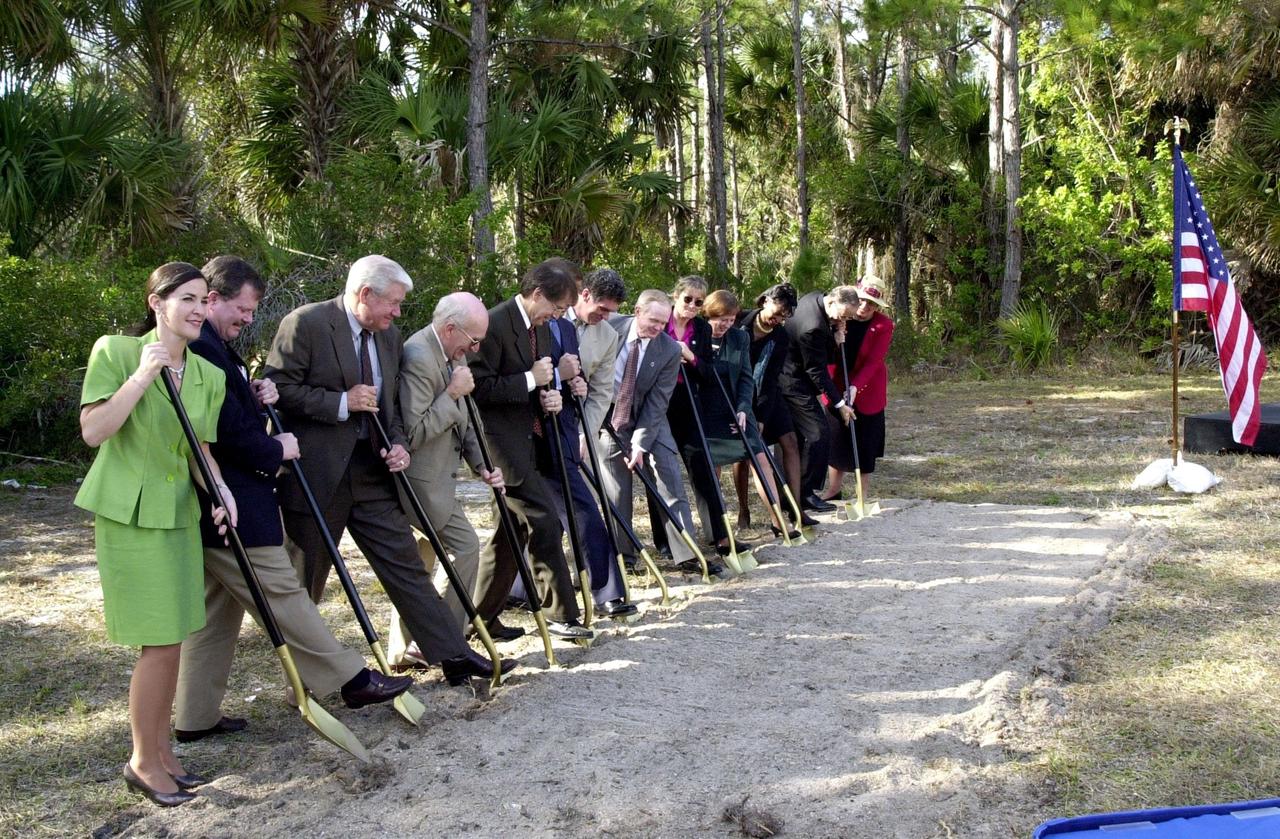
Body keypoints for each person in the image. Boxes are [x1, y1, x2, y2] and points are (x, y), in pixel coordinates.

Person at [175, 256, 412, 741]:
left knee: (217, 610)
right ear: (211, 299)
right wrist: (274, 448)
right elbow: (219, 432)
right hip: (232, 501)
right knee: (284, 593)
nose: (246, 319)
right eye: (239, 309)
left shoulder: (215, 347)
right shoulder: (200, 348)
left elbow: (228, 410)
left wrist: (256, 393)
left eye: (251, 311)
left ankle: (194, 718)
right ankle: (351, 679)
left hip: (222, 502)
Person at [264, 255, 511, 685]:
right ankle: (303, 681)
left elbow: (391, 406)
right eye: (393, 303)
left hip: (372, 474)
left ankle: (452, 655)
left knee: (406, 568)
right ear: (365, 295)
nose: (398, 313)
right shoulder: (306, 323)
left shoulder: (389, 337)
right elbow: (277, 391)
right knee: (307, 583)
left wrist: (397, 443)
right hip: (318, 476)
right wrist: (341, 403)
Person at [76, 262, 232, 806]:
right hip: (130, 514)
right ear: (156, 302)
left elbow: (200, 452)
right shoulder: (116, 352)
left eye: (203, 299)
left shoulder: (210, 375)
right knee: (160, 642)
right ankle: (143, 762)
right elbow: (94, 431)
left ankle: (164, 755)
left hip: (178, 514)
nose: (197, 308)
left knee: (176, 637)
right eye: (186, 297)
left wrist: (223, 494)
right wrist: (144, 374)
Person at [469, 258, 592, 640]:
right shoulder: (494, 323)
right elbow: (476, 386)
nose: (555, 317)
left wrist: (549, 394)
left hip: (533, 438)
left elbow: (538, 377)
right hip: (501, 446)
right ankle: (560, 613)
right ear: (537, 294)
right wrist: (529, 380)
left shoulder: (537, 326)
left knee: (511, 533)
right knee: (544, 520)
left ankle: (479, 619)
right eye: (554, 309)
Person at [393, 293, 509, 665]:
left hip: (439, 479)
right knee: (467, 547)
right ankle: (448, 643)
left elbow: (466, 415)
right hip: (419, 480)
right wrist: (451, 392)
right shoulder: (419, 357)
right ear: (448, 328)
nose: (474, 349)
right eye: (472, 340)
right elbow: (412, 434)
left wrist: (483, 464)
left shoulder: (449, 355)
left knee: (420, 562)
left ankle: (405, 648)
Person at [599, 290, 719, 576]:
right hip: (607, 412)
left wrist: (640, 444)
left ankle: (687, 553)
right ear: (637, 311)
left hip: (646, 413)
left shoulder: (668, 349)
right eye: (653, 320)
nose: (658, 328)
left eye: (663, 323)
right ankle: (624, 556)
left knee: (668, 472)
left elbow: (657, 403)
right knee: (616, 485)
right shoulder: (607, 330)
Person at [658, 275, 746, 558]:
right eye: (688, 299)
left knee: (703, 469)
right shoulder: (661, 323)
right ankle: (665, 541)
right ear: (675, 296)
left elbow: (708, 373)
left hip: (688, 403)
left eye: (699, 302)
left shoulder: (701, 330)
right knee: (661, 472)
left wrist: (690, 357)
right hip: (658, 404)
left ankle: (719, 537)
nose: (693, 306)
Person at [698, 290, 792, 539]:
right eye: (722, 320)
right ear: (709, 314)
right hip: (708, 410)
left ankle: (778, 519)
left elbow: (746, 379)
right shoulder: (696, 336)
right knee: (712, 464)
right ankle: (718, 527)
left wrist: (742, 408)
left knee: (759, 457)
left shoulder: (740, 338)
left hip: (738, 408)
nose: (726, 326)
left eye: (731, 320)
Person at [733, 283, 815, 529]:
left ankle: (796, 508)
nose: (777, 320)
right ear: (764, 302)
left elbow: (770, 379)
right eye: (776, 313)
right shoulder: (739, 323)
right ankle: (743, 510)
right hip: (737, 392)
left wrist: (762, 416)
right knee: (745, 454)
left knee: (790, 440)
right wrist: (748, 412)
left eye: (784, 317)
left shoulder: (780, 337)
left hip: (766, 393)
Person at [779, 284, 861, 511]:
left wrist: (835, 332)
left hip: (797, 376)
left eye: (849, 318)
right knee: (818, 433)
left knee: (801, 438)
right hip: (792, 382)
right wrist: (840, 404)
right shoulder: (813, 327)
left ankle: (793, 496)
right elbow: (817, 371)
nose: (844, 320)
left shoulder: (816, 297)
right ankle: (805, 493)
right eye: (843, 316)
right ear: (833, 301)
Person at [821, 275, 895, 501]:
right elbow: (826, 355)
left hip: (867, 390)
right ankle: (833, 490)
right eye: (861, 301)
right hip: (837, 385)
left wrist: (855, 387)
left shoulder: (883, 325)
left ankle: (862, 496)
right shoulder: (841, 316)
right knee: (837, 440)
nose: (864, 307)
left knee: (865, 443)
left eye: (871, 304)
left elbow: (874, 361)